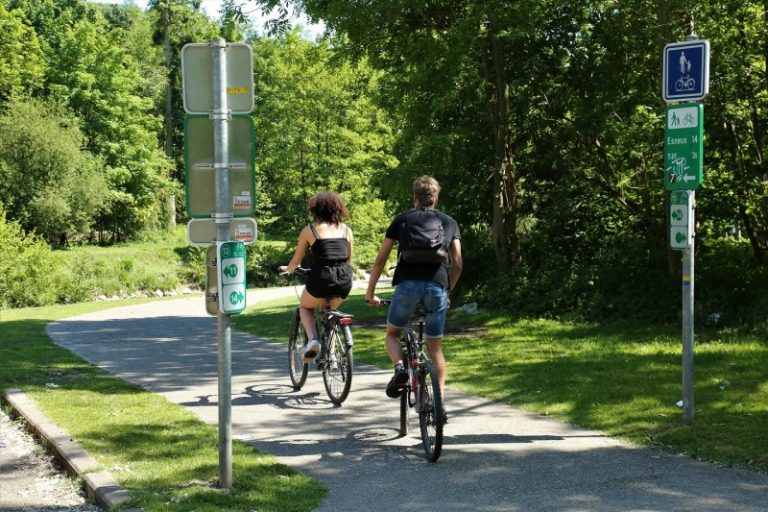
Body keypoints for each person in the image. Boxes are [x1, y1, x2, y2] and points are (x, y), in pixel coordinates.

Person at [365, 176, 462, 409]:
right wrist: (447, 290)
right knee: (435, 347)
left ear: (415, 198)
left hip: (407, 286)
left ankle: (399, 368)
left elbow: (381, 259)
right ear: (436, 198)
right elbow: (458, 263)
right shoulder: (449, 222)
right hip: (436, 286)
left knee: (392, 334)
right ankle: (437, 406)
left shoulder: (402, 220)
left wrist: (370, 293)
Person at [279, 191, 354, 362]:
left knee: (305, 307)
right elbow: (348, 259)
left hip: (321, 278)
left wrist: (289, 269)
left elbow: (296, 261)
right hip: (343, 279)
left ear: (315, 210)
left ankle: (313, 340)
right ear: (338, 209)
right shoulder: (347, 231)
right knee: (331, 313)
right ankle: (332, 355)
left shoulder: (310, 230)